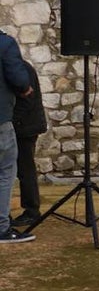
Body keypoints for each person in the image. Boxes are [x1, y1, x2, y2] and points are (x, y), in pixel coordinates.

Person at [0, 29, 35, 244]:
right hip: (0, 119)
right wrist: (25, 90)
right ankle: (2, 227)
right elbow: (20, 79)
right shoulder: (5, 44)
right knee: (5, 173)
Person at [12, 59, 46, 228]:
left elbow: (27, 100)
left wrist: (10, 122)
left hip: (26, 127)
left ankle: (32, 211)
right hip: (21, 125)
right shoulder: (17, 67)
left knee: (25, 169)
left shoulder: (21, 69)